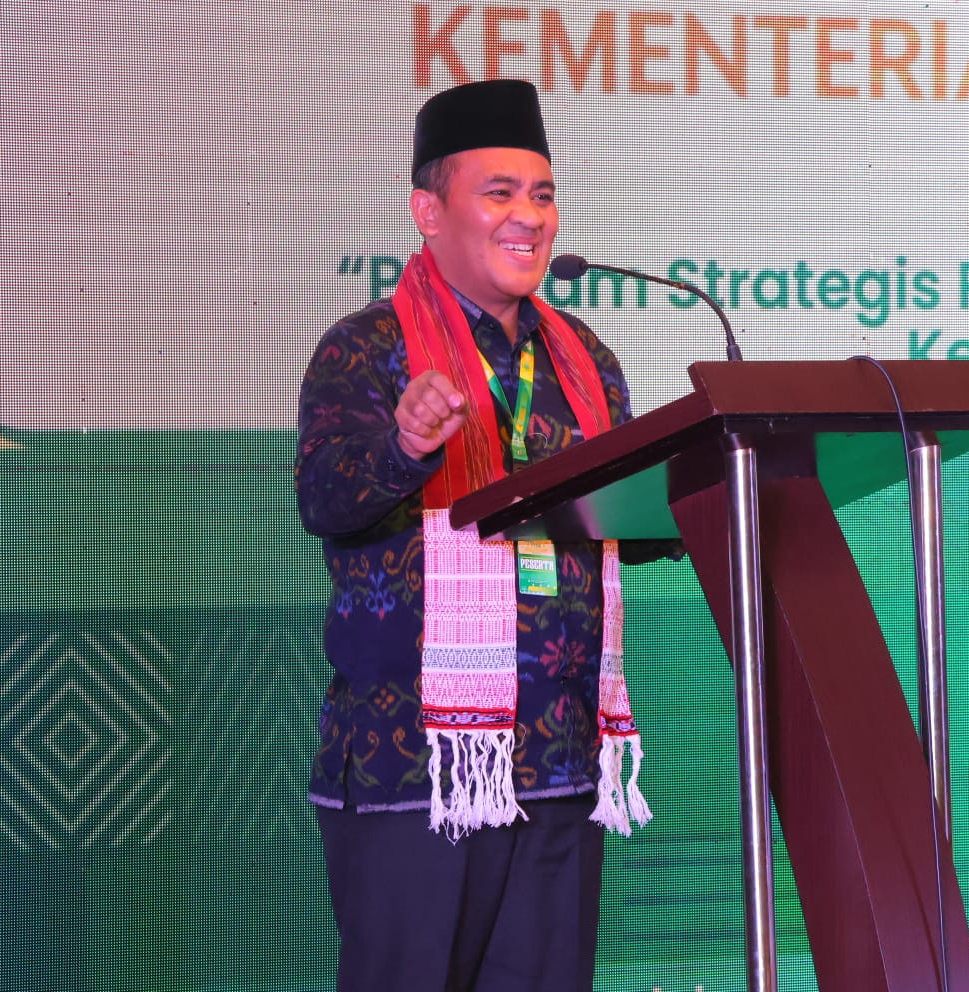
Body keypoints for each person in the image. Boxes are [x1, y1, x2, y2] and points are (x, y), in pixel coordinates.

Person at [295, 79, 650, 992]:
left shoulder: (586, 361)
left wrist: (706, 493)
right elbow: (325, 500)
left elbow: (619, 516)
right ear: (429, 211)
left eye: (542, 194)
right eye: (499, 192)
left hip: (560, 761)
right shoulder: (366, 348)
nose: (529, 216)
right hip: (415, 767)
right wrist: (406, 445)